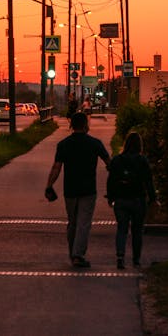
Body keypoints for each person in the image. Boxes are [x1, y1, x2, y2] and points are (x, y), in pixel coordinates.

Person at [45, 110, 110, 268]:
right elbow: (110, 163)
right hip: (88, 189)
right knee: (83, 223)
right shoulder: (95, 144)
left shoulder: (64, 145)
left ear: (72, 125)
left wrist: (49, 185)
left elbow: (56, 167)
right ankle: (77, 255)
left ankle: (73, 252)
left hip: (70, 189)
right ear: (86, 125)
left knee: (73, 223)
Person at [107, 131, 157, 269]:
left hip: (121, 199)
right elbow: (148, 181)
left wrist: (111, 197)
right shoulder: (142, 161)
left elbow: (111, 181)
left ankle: (120, 256)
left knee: (121, 229)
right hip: (138, 199)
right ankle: (136, 259)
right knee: (137, 230)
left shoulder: (117, 160)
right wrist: (153, 198)